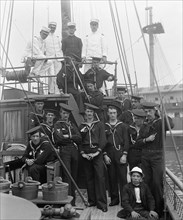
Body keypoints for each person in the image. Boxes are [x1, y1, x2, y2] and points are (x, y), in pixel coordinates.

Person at [140, 102, 174, 216]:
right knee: (146, 182)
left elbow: (171, 125)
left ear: (155, 111)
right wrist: (146, 140)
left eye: (150, 111)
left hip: (157, 157)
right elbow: (138, 142)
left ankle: (158, 210)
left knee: (157, 183)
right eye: (146, 112)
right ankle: (149, 208)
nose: (147, 114)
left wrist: (163, 113)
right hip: (145, 157)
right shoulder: (144, 125)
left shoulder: (161, 123)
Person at [79, 103, 107, 212]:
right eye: (87, 112)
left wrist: (97, 152)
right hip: (86, 154)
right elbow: (79, 141)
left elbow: (103, 140)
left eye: (91, 112)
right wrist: (83, 154)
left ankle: (102, 203)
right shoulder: (81, 126)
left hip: (97, 153)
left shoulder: (99, 124)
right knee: (89, 178)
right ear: (85, 113)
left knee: (100, 178)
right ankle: (92, 201)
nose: (89, 114)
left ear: (94, 113)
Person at [53, 103, 82, 205]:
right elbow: (59, 139)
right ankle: (68, 201)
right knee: (67, 176)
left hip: (74, 150)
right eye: (63, 113)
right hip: (64, 151)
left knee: (74, 175)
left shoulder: (72, 125)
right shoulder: (57, 125)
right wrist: (72, 137)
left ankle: (73, 201)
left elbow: (79, 138)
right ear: (60, 114)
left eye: (67, 114)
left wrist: (68, 136)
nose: (65, 116)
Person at [104, 103, 129, 206]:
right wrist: (105, 155)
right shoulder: (104, 126)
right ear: (108, 114)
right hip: (109, 154)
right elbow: (102, 142)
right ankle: (114, 199)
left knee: (123, 178)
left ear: (117, 113)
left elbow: (127, 141)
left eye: (114, 113)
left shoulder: (122, 126)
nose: (112, 115)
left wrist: (124, 155)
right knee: (112, 177)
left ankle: (124, 200)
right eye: (110, 113)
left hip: (120, 153)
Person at [45, 21, 63, 94]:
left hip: (58, 58)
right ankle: (51, 91)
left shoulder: (57, 37)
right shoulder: (46, 38)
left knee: (58, 75)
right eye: (51, 27)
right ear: (49, 27)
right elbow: (43, 48)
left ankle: (57, 91)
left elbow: (60, 47)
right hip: (50, 58)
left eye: (54, 28)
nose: (52, 29)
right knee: (52, 75)